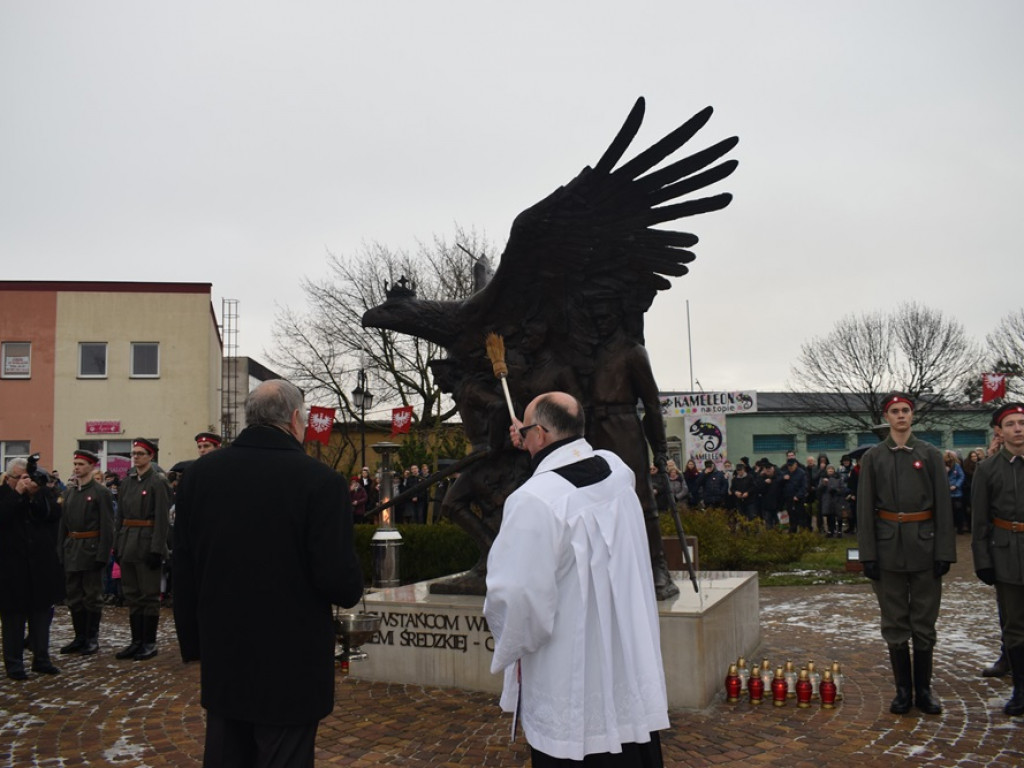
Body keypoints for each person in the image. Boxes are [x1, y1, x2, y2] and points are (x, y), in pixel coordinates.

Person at [173, 379, 364, 768]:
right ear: (295, 420)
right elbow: (338, 582)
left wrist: (193, 643)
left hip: (224, 655)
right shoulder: (321, 482)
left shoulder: (199, 475)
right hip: (290, 664)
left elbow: (183, 568)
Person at [485, 392, 668, 766]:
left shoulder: (533, 500)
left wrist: (513, 641)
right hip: (627, 658)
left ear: (540, 434)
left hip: (569, 670)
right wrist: (531, 442)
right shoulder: (617, 471)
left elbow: (516, 597)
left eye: (525, 426)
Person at [856, 392, 956, 715]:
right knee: (895, 621)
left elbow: (944, 506)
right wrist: (867, 554)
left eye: (905, 411)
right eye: (895, 411)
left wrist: (944, 551)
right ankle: (903, 691)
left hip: (924, 547)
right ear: (887, 417)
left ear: (912, 417)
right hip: (886, 549)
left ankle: (924, 690)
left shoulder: (929, 454)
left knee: (924, 621)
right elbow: (864, 510)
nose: (900, 416)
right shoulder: (873, 458)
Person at [971, 402, 1024, 716]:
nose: (1018, 428)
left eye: (1022, 422)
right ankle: (1020, 688)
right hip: (1007, 554)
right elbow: (980, 520)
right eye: (1011, 424)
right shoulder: (988, 469)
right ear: (999, 432)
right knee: (1015, 624)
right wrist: (983, 560)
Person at [0, 457, 64, 679]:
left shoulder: (42, 495)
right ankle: (14, 664)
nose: (26, 481)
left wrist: (36, 494)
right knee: (13, 619)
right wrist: (17, 494)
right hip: (11, 568)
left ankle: (42, 658)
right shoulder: (4, 495)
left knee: (40, 616)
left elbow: (53, 515)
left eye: (28, 477)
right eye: (21, 477)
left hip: (40, 566)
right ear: (9, 478)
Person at [114, 437, 172, 661]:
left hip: (147, 543)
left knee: (148, 596)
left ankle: (149, 642)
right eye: (133, 453)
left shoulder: (157, 482)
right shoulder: (127, 482)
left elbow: (161, 519)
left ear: (151, 456)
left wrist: (157, 549)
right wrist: (118, 546)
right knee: (133, 595)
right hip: (128, 542)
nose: (135, 457)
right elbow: (120, 517)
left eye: (140, 453)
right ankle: (136, 640)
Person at [57, 449, 115, 656]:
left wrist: (103, 554)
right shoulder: (69, 493)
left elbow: (108, 526)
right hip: (72, 548)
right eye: (76, 464)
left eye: (81, 464)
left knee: (92, 595)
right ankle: (79, 636)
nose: (77, 468)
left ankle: (91, 637)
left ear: (91, 466)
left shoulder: (101, 493)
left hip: (91, 548)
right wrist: (61, 550)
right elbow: (63, 525)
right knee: (74, 596)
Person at [945, 450, 968, 534]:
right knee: (949, 513)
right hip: (947, 494)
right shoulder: (943, 467)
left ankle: (960, 528)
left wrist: (956, 485)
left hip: (957, 493)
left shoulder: (957, 466)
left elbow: (961, 476)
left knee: (958, 511)